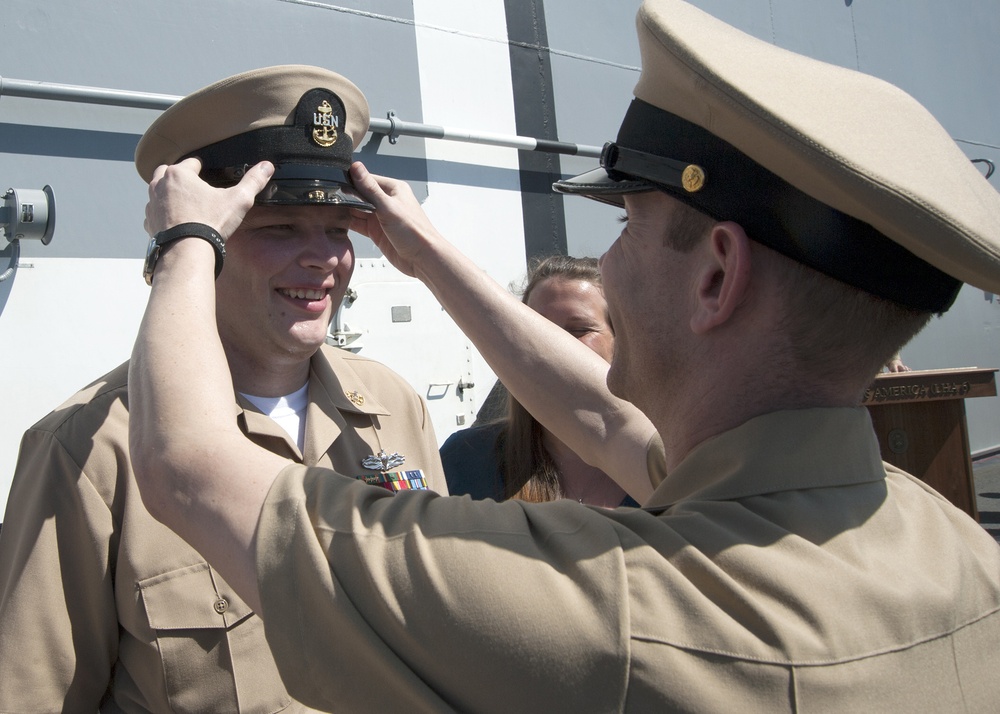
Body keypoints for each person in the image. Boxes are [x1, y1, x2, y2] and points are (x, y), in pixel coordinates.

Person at [128, 1, 1000, 710]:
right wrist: (429, 253)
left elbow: (190, 467)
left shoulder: (603, 611)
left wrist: (188, 240)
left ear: (716, 277)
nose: (608, 259)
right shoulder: (956, 549)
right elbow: (600, 414)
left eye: (629, 224)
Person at [0, 66, 449, 713]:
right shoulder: (89, 451)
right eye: (279, 229)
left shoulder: (393, 407)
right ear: (204, 240)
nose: (323, 258)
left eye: (338, 230)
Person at [441, 254, 642, 507]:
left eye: (579, 329)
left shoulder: (672, 466)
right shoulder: (466, 458)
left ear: (620, 340)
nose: (553, 344)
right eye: (537, 330)